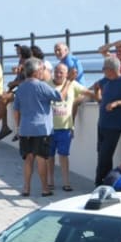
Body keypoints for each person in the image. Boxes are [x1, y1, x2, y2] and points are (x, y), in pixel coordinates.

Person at [12, 58, 62, 197]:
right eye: (42, 70)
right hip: (42, 129)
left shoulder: (20, 88)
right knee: (41, 158)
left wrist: (18, 127)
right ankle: (45, 188)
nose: (43, 72)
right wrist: (68, 81)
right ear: (36, 71)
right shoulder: (42, 86)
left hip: (26, 128)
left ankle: (26, 188)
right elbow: (59, 97)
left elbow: (16, 110)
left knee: (28, 159)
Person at [88, 56, 121, 186]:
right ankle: (107, 183)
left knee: (105, 156)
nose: (102, 71)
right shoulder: (104, 81)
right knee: (102, 155)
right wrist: (98, 98)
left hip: (114, 125)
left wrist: (117, 103)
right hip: (102, 123)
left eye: (104, 68)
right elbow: (96, 86)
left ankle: (99, 184)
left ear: (111, 69)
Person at [49, 62, 89, 192]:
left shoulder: (72, 84)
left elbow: (86, 92)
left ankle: (66, 182)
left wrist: (77, 101)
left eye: (61, 72)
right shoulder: (48, 85)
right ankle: (50, 181)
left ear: (66, 74)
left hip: (65, 127)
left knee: (64, 155)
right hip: (49, 128)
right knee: (49, 156)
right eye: (56, 71)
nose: (58, 74)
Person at [0, 45, 31, 141]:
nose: (17, 53)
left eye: (18, 51)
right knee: (1, 99)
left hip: (26, 91)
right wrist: (11, 85)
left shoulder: (29, 63)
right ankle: (4, 127)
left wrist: (14, 83)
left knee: (2, 99)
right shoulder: (21, 62)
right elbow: (19, 78)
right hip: (19, 89)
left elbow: (29, 81)